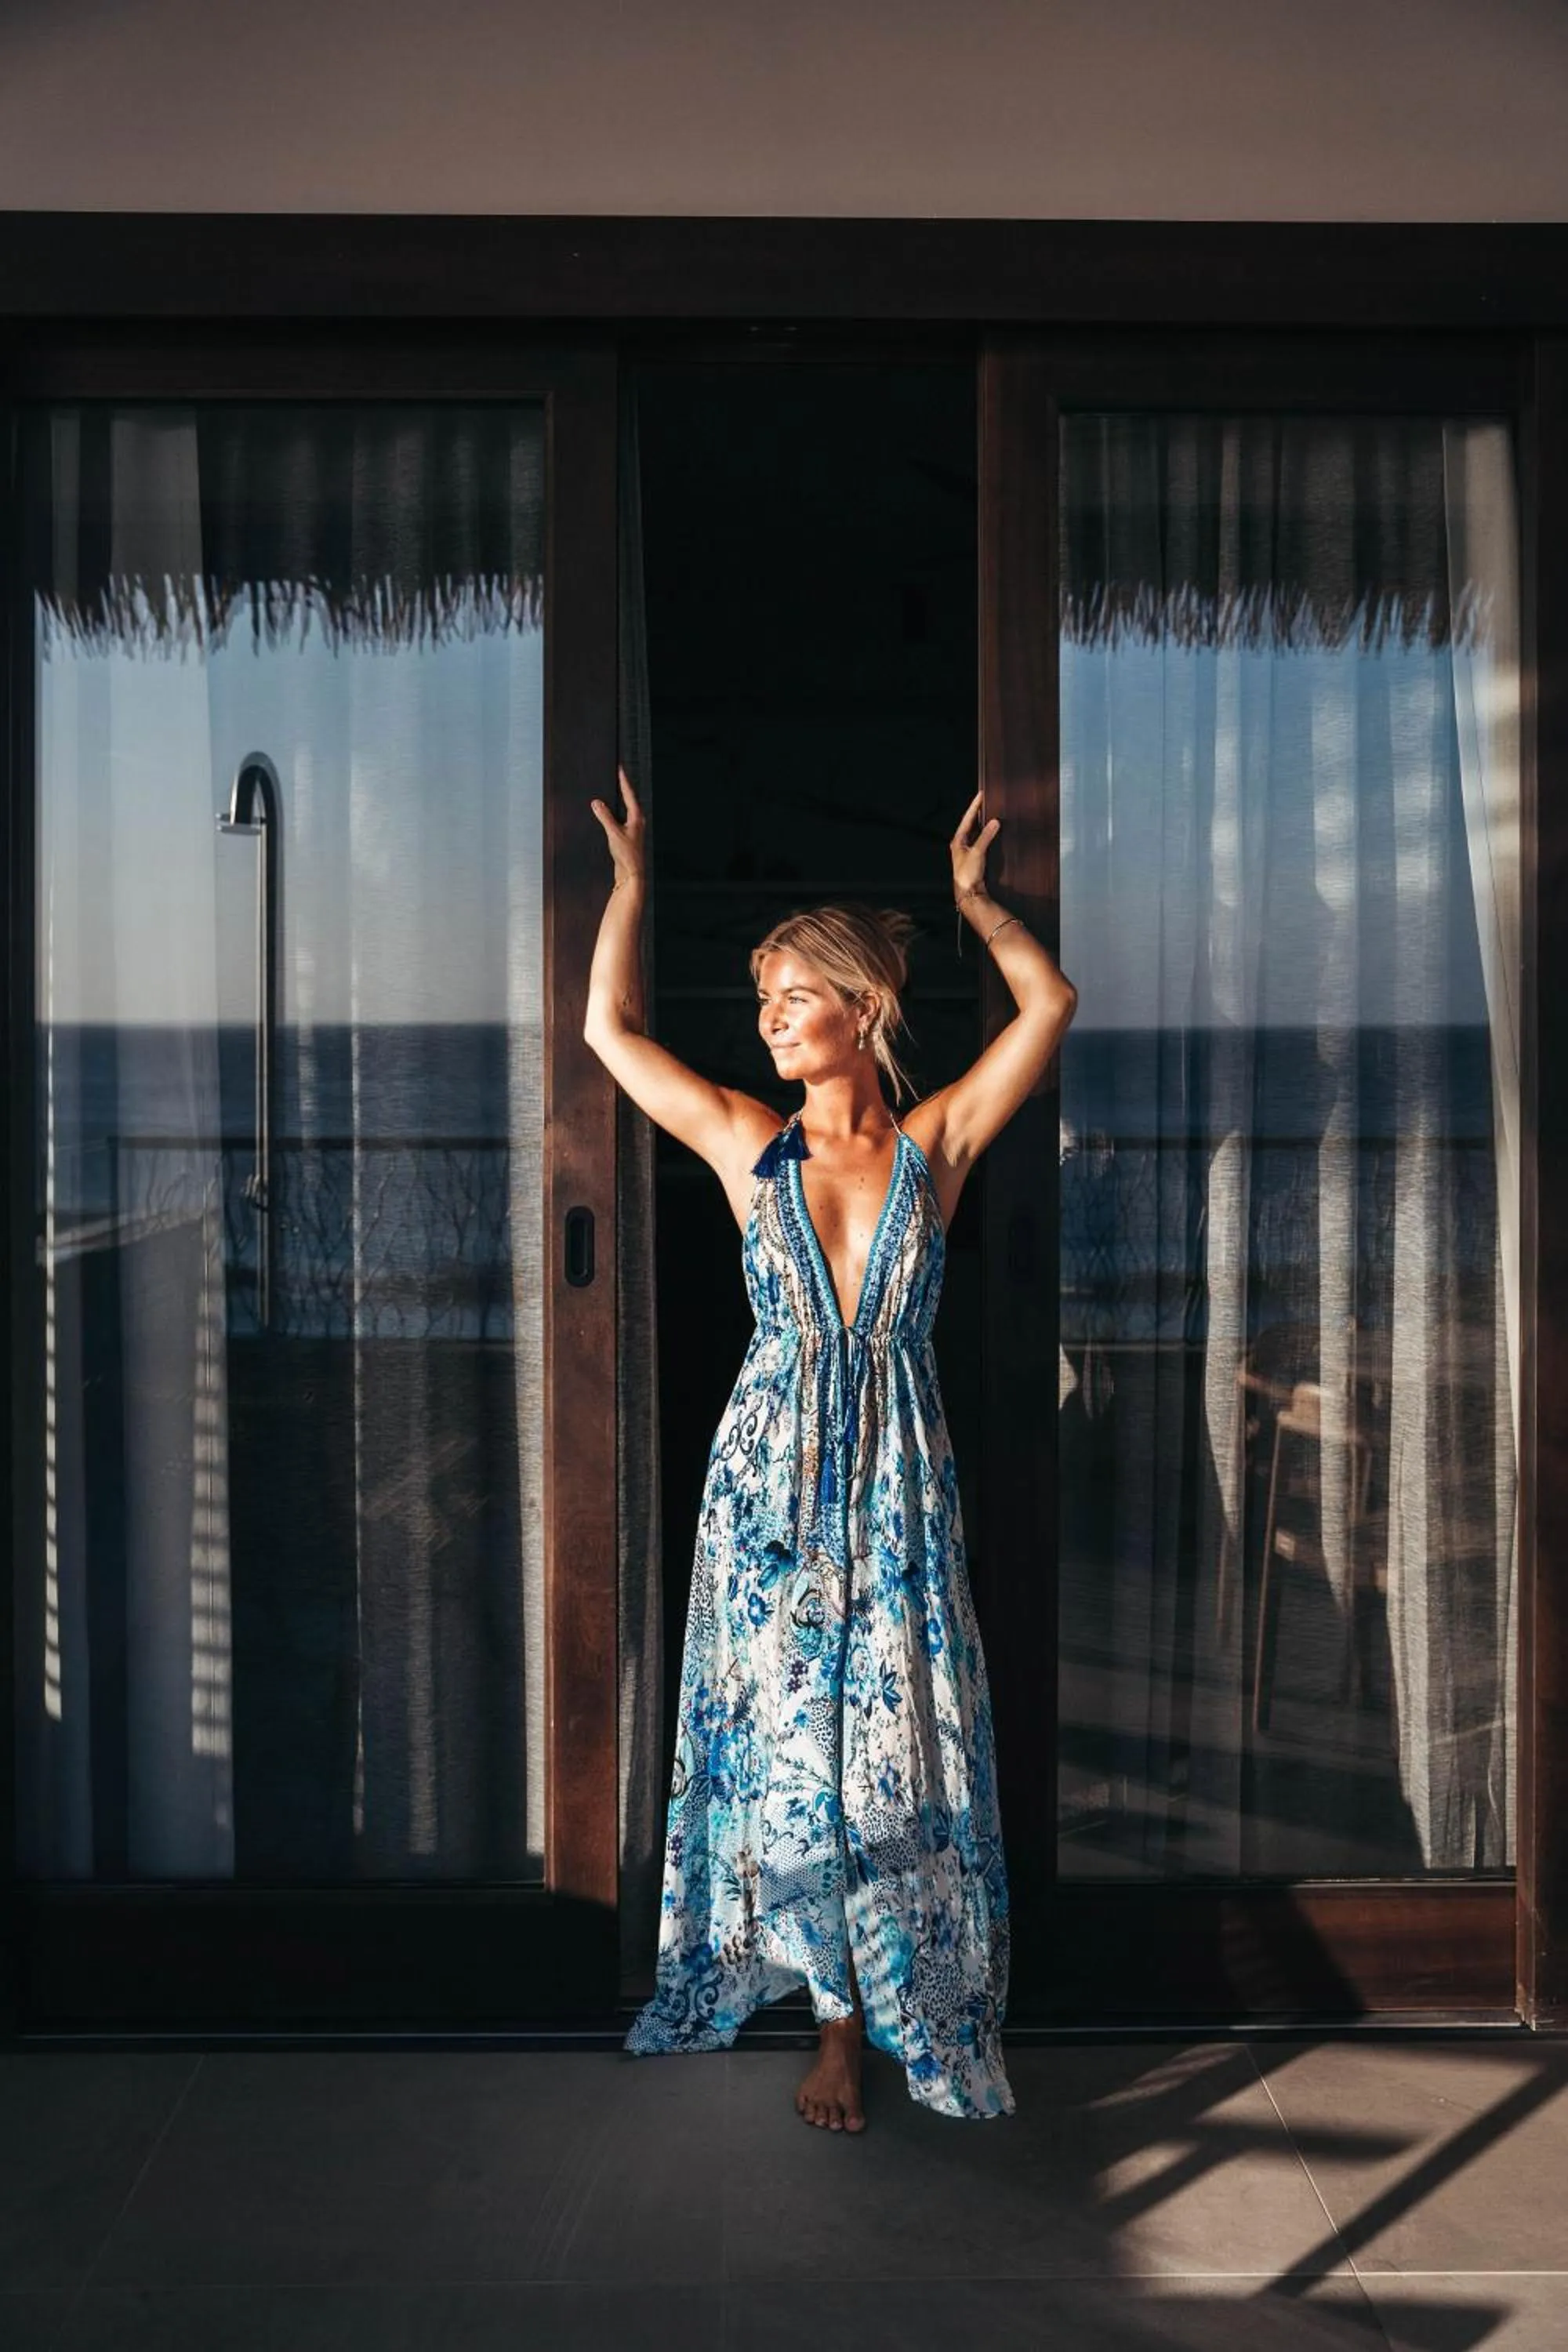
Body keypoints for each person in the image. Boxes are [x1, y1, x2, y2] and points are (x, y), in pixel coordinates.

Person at [583, 771, 1077, 2129]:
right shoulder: (750, 1147)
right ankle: (838, 2036)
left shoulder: (935, 1149)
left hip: (904, 1490)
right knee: (800, 1758)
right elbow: (607, 1030)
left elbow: (1049, 1009)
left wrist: (974, 903)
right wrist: (631, 886)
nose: (770, 1023)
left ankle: (922, 2007)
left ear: (862, 1012)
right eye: (762, 1005)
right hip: (772, 1494)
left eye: (793, 999)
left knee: (896, 1752)